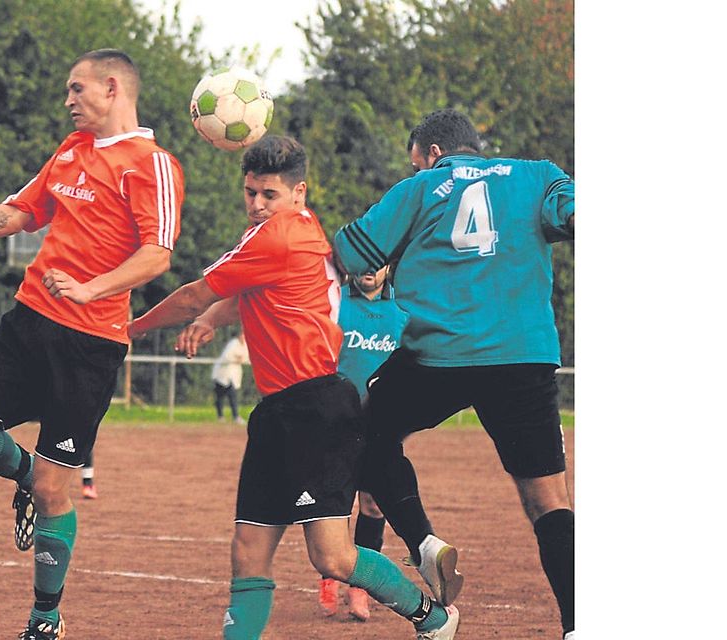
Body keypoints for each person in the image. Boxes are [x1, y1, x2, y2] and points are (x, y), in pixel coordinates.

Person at [128, 135, 459, 640]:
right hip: (278, 411)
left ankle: (432, 618)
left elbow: (195, 293)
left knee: (332, 556)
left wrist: (126, 330)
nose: (257, 205)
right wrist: (215, 321)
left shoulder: (278, 234)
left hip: (317, 409)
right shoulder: (296, 232)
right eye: (250, 193)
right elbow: (251, 293)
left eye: (269, 194)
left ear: (298, 192)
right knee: (247, 552)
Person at [0, 48, 184, 640]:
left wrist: (89, 289)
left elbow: (157, 254)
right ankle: (25, 473)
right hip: (28, 323)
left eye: (76, 90)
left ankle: (44, 617)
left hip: (91, 344)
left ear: (111, 88)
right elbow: (20, 214)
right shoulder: (69, 150)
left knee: (58, 490)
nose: (68, 100)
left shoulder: (153, 164)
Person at [333, 108, 575, 639]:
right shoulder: (537, 175)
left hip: (436, 356)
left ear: (433, 155)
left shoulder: (420, 187)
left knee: (361, 431)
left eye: (415, 160)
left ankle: (423, 544)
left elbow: (350, 253)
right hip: (521, 356)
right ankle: (579, 625)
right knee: (548, 501)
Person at [317, 264, 409, 622]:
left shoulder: (401, 312)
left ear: (389, 267)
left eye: (379, 261)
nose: (370, 268)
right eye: (364, 260)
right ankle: (329, 577)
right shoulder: (338, 303)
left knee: (373, 506)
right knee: (335, 503)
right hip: (335, 420)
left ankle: (360, 589)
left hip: (381, 424)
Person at [211, 330, 250, 424]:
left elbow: (246, 358)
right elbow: (226, 356)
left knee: (233, 395)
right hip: (222, 373)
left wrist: (240, 359)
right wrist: (237, 358)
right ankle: (220, 416)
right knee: (220, 396)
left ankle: (235, 416)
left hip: (234, 374)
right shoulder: (233, 344)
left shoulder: (245, 345)